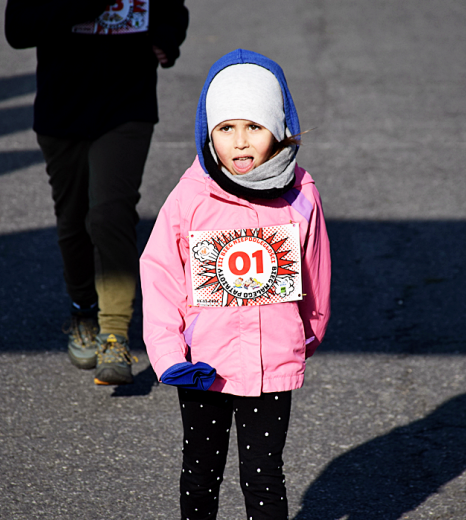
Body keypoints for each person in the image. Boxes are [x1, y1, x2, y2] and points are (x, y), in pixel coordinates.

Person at [140, 49, 331, 520]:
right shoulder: (190, 196)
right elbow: (161, 274)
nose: (241, 143)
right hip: (203, 363)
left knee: (264, 475)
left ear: (278, 130)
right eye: (226, 128)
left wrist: (305, 337)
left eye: (255, 127)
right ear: (209, 132)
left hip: (271, 363)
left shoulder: (300, 193)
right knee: (201, 471)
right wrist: (167, 355)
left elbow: (316, 274)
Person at [4, 0, 189, 385]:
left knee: (109, 214)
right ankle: (83, 312)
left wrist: (168, 39)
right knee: (73, 221)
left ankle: (114, 335)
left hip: (127, 103)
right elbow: (18, 29)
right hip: (62, 108)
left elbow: (171, 6)